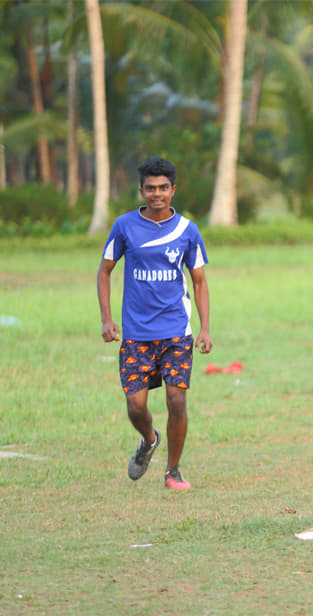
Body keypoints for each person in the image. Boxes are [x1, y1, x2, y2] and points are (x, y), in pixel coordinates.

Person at [97, 156, 212, 490]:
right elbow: (104, 271)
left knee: (177, 400)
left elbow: (199, 280)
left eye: (163, 187)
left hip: (176, 330)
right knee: (136, 406)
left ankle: (172, 472)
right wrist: (107, 319)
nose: (157, 194)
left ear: (173, 190)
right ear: (141, 190)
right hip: (136, 334)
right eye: (150, 188)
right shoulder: (124, 226)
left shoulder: (188, 230)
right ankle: (149, 439)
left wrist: (204, 328)